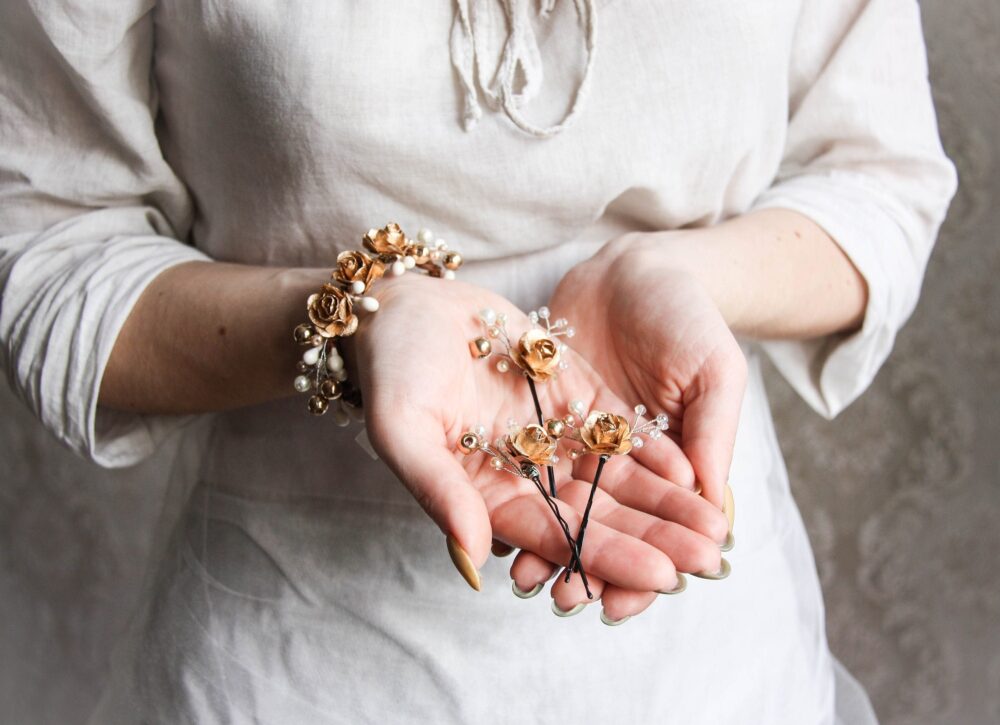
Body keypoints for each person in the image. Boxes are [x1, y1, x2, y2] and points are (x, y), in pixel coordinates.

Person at [0, 1, 954, 723]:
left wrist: (672, 273)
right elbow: (48, 244)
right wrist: (353, 322)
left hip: (712, 659)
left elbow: (879, 175)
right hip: (294, 668)